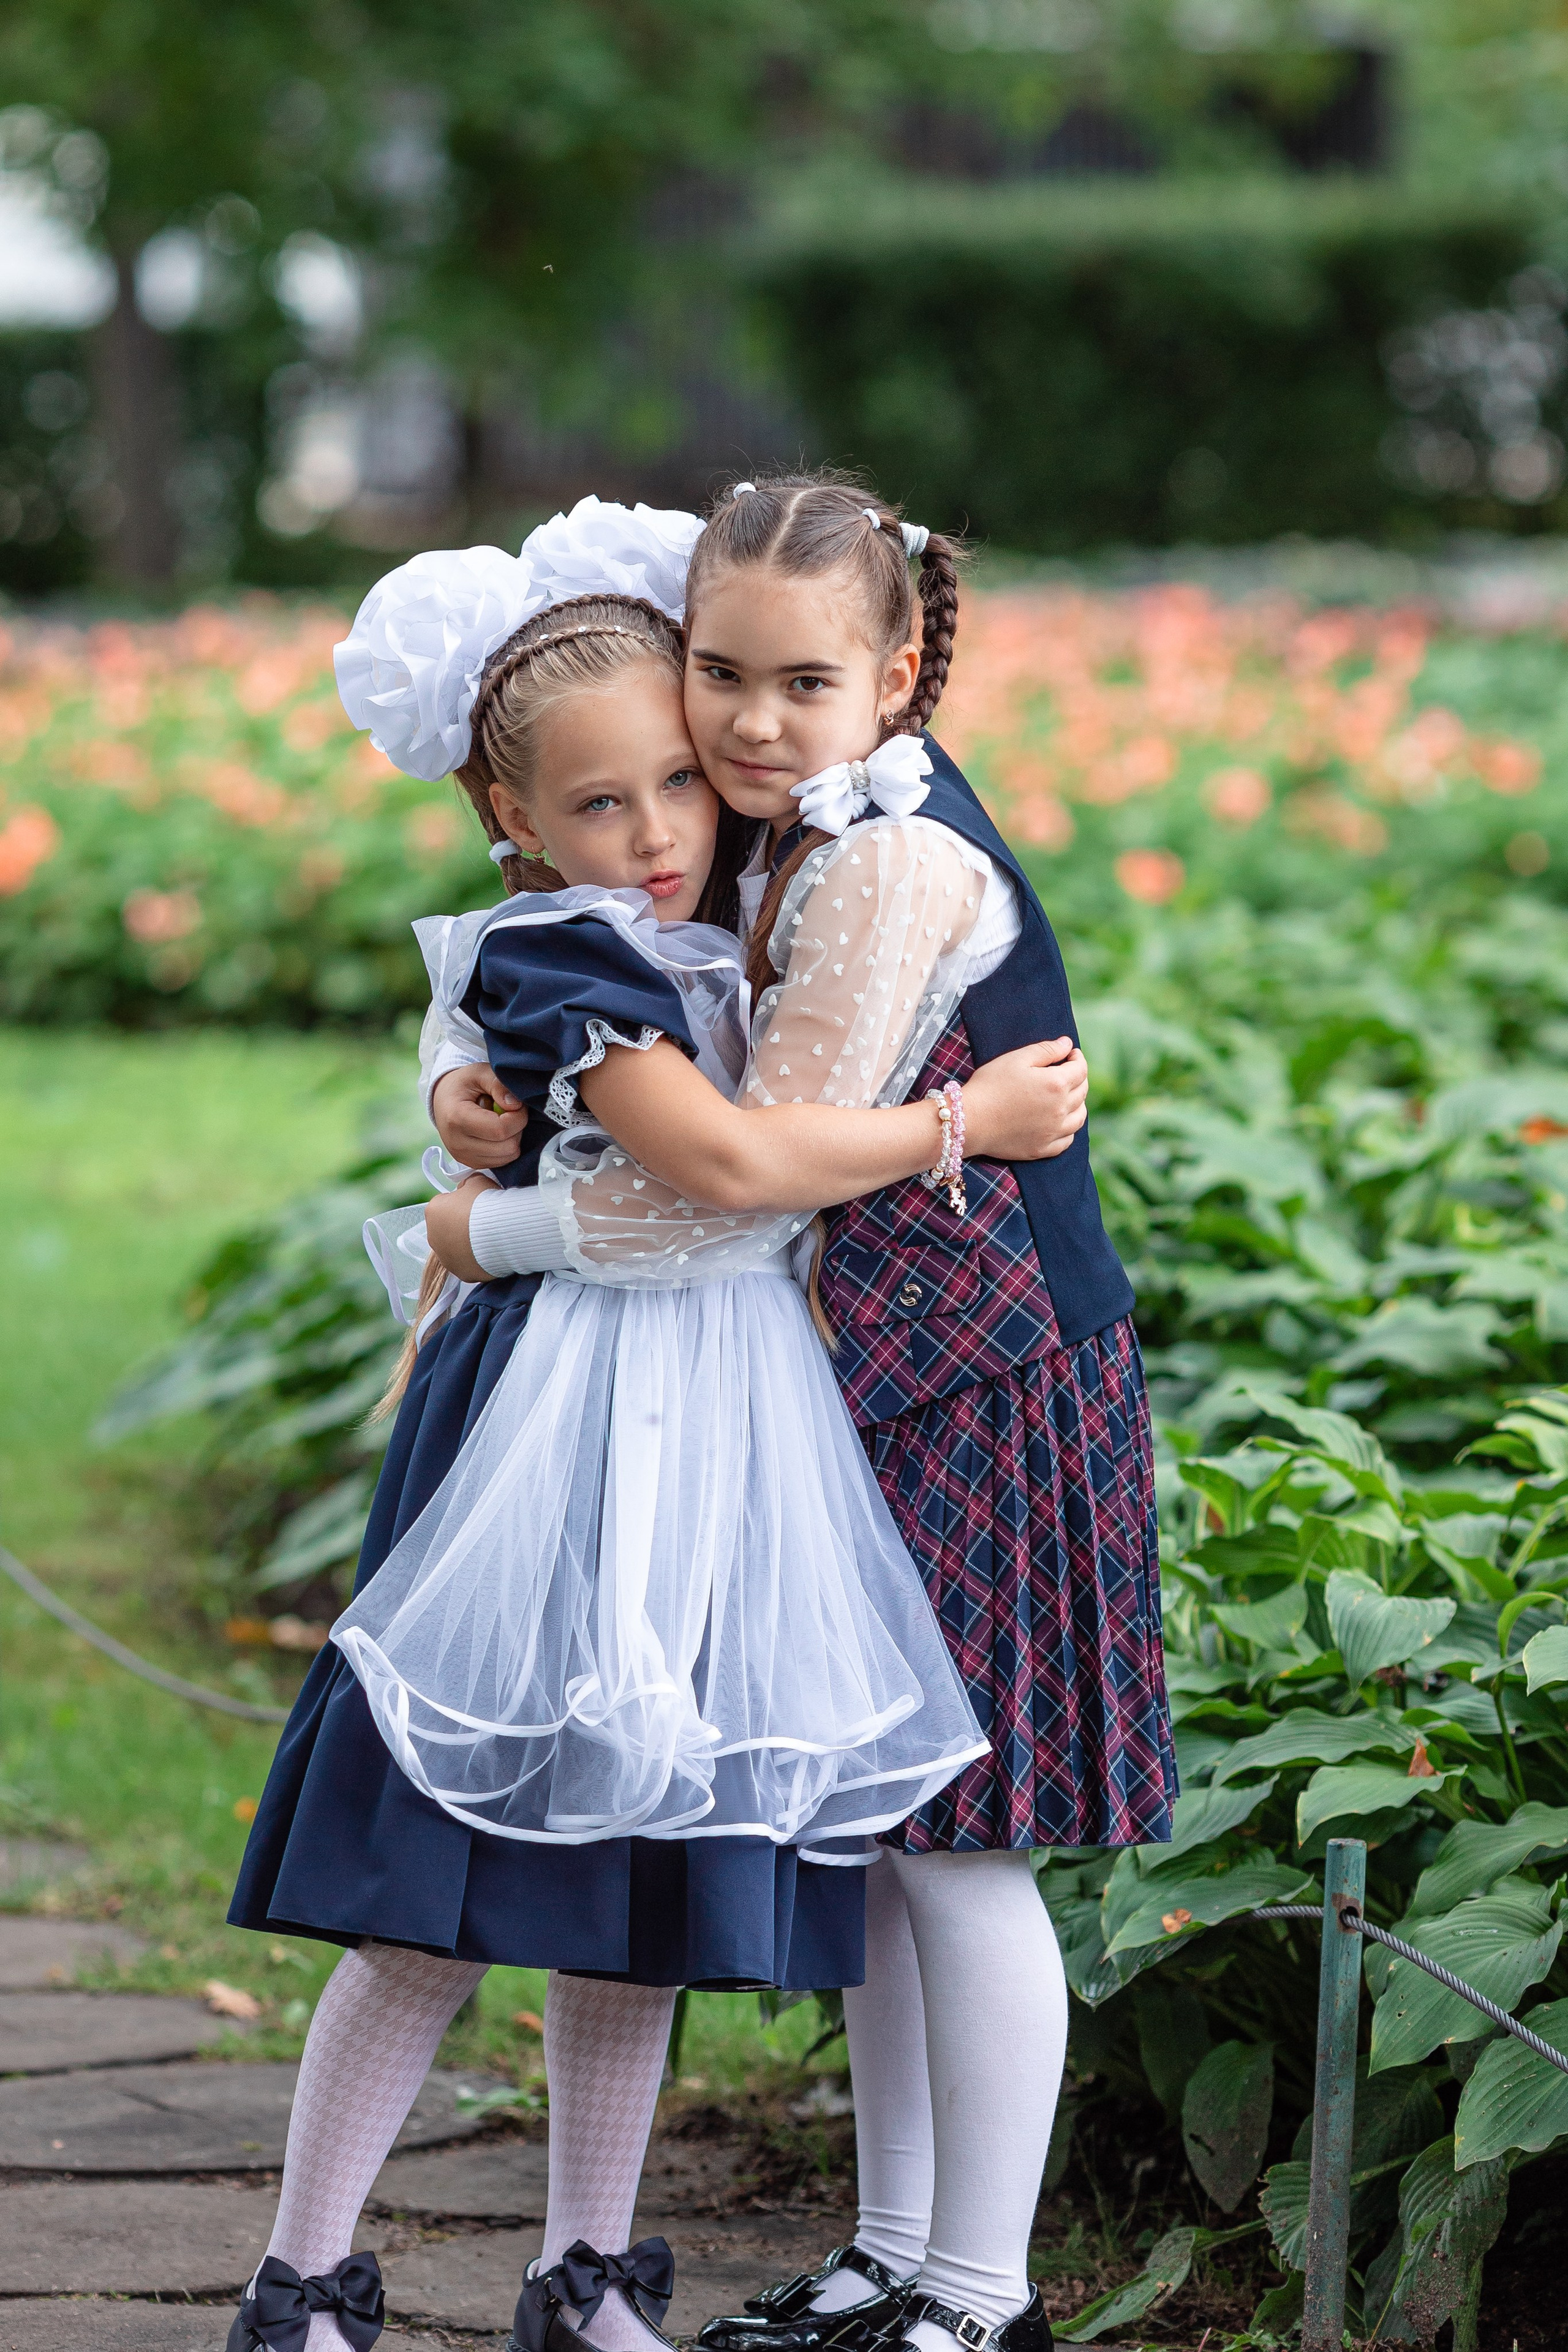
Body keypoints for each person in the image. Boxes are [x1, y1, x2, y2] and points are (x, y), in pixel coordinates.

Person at [225, 497, 1088, 2352]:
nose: (667, 828)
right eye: (605, 803)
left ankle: (589, 2269)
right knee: (438, 1871)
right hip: (555, 1430)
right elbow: (723, 1175)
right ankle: (304, 2275)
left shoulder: (771, 880)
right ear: (512, 821)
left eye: (680, 786)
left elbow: (556, 1081)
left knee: (633, 1850)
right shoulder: (577, 950)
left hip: (707, 1435)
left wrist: (462, 1108)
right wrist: (962, 1130)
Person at [438, 473, 1177, 2352]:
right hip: (872, 1380)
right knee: (884, 1830)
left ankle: (981, 2295)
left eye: (803, 681)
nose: (752, 723)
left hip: (987, 1380)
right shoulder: (781, 829)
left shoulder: (888, 858)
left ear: (901, 668)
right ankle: (897, 2247)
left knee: (965, 1838)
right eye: (722, 673)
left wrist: (476, 1222)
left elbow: (750, 1166)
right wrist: (493, 1081)